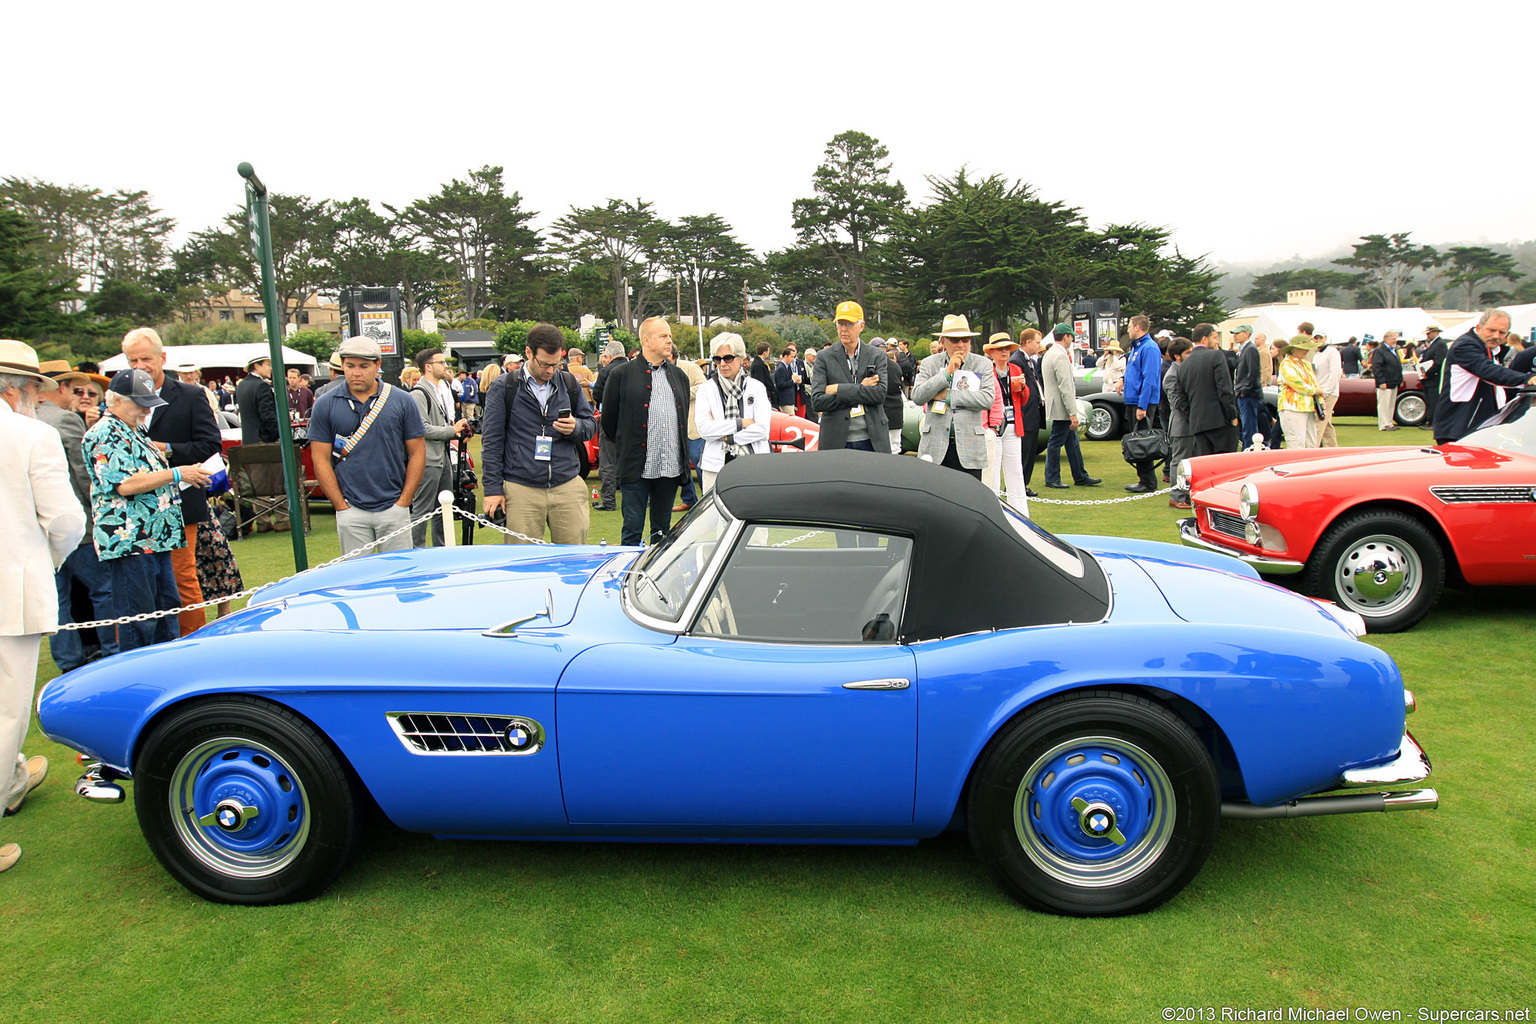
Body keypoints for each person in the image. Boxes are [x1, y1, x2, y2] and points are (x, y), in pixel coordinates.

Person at [0, 342, 87, 872]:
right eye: (36, 390)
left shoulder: (32, 430)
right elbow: (65, 522)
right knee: (6, 706)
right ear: (19, 390)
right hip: (11, 584)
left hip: (15, 580)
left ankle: (12, 779)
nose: (39, 399)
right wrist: (43, 561)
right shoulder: (32, 435)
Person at [83, 369, 212, 653]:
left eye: (148, 401)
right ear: (114, 400)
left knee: (166, 610)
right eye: (139, 402)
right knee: (139, 618)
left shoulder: (133, 428)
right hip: (131, 541)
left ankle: (163, 669)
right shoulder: (105, 433)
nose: (146, 408)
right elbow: (124, 484)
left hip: (155, 538)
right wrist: (176, 473)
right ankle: (134, 679)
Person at [122, 327, 223, 638]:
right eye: (133, 360)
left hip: (181, 503)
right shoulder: (121, 400)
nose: (140, 366)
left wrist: (168, 449)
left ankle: (194, 644)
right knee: (143, 583)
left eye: (145, 359)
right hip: (137, 507)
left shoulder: (191, 395)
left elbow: (210, 444)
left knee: (183, 579)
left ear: (162, 358)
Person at [308, 337, 426, 556]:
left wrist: (403, 501)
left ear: (377, 365)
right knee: (358, 582)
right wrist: (340, 506)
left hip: (394, 505)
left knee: (399, 578)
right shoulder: (325, 403)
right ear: (342, 366)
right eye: (350, 366)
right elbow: (320, 458)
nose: (356, 373)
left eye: (364, 366)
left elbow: (417, 452)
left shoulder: (402, 400)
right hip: (351, 507)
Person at [481, 324, 597, 544]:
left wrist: (576, 428)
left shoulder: (569, 383)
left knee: (573, 562)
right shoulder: (504, 387)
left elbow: (590, 425)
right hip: (521, 487)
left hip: (567, 484)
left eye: (556, 364)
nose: (550, 370)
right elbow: (492, 442)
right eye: (544, 364)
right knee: (523, 567)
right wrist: (493, 489)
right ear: (528, 353)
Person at [601, 317, 691, 546]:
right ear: (646, 340)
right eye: (663, 336)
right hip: (635, 468)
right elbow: (609, 424)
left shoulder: (679, 376)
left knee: (662, 532)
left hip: (670, 468)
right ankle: (626, 578)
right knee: (632, 530)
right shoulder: (621, 375)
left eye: (670, 336)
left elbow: (682, 418)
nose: (669, 340)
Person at [910, 314, 995, 479]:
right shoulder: (929, 363)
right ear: (943, 341)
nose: (961, 345)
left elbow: (987, 399)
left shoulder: (982, 364)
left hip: (969, 447)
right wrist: (947, 374)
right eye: (955, 340)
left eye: (965, 339)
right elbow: (918, 396)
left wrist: (948, 396)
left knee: (968, 501)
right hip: (935, 448)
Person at [1433, 309, 1536, 443]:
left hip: (1476, 426)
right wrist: (1527, 379)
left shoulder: (1488, 348)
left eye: (1502, 332)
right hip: (1460, 426)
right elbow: (1489, 371)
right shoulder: (1465, 345)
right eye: (1491, 330)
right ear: (1479, 327)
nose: (1496, 336)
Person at [408, 349, 470, 548]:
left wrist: (457, 432)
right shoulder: (419, 393)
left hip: (441, 458)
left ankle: (442, 550)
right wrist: (451, 430)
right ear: (428, 366)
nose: (445, 366)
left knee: (443, 508)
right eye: (441, 362)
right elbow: (422, 428)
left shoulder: (438, 390)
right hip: (427, 460)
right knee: (423, 509)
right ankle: (416, 552)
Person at [695, 334, 771, 493]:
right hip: (715, 466)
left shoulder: (756, 388)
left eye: (728, 358)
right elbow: (704, 430)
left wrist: (726, 436)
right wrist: (740, 423)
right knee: (715, 516)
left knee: (752, 514)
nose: (722, 364)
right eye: (717, 359)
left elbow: (763, 430)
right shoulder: (706, 389)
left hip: (753, 464)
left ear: (741, 358)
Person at [812, 301, 891, 453]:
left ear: (861, 326)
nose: (843, 329)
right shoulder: (824, 357)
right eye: (840, 324)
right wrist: (861, 389)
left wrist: (837, 389)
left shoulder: (877, 355)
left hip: (872, 440)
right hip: (836, 440)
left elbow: (879, 394)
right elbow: (818, 401)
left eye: (849, 324)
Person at [1039, 324, 1099, 489]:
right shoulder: (1060, 355)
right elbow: (1065, 386)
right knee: (1056, 442)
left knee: (1071, 442)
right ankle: (1052, 477)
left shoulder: (1050, 353)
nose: (1072, 339)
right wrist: (1073, 412)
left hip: (1056, 404)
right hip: (1061, 406)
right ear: (1065, 337)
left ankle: (1080, 475)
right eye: (1071, 336)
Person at [1180, 323, 1240, 457]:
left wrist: (1191, 418)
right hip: (1219, 420)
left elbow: (1182, 399)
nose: (1216, 341)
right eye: (1214, 337)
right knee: (1226, 464)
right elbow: (1225, 389)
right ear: (1204, 339)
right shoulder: (1216, 356)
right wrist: (1232, 415)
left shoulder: (1184, 365)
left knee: (1206, 464)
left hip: (1198, 422)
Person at [985, 332, 1030, 508]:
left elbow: (1024, 399)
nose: (1004, 352)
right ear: (992, 352)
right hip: (994, 426)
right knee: (993, 472)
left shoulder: (1016, 369)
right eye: (999, 349)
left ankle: (1020, 512)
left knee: (1015, 471)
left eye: (1006, 349)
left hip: (1013, 424)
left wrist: (1023, 387)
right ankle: (996, 510)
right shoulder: (987, 370)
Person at [1121, 314, 1164, 493]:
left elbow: (1150, 378)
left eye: (1130, 326)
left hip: (1141, 402)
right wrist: (1123, 379)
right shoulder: (1137, 347)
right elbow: (1136, 372)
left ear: (1137, 327)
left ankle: (1148, 482)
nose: (1128, 330)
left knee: (1143, 441)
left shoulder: (1150, 348)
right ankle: (1144, 478)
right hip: (1133, 400)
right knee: (1137, 440)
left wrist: (1142, 405)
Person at [589, 340, 628, 511]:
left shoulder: (606, 371)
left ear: (609, 356)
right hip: (633, 420)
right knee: (634, 459)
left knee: (608, 462)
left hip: (611, 419)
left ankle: (609, 501)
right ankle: (640, 499)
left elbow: (597, 394)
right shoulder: (637, 369)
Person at [1009, 329, 1046, 498]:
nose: (1039, 346)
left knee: (1030, 451)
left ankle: (1023, 484)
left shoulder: (1031, 361)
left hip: (1033, 411)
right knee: (1024, 451)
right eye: (1037, 342)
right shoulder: (1016, 361)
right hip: (1025, 413)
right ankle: (1019, 485)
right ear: (1027, 342)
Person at [672, 349, 707, 512]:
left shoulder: (690, 368)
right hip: (673, 427)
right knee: (680, 464)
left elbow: (703, 387)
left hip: (692, 426)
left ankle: (708, 500)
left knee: (699, 462)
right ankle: (689, 499)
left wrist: (682, 392)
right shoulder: (657, 371)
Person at [1163, 338, 1196, 508]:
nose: (1191, 356)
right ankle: (1176, 496)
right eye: (1187, 353)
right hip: (1181, 425)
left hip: (1190, 424)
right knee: (1179, 462)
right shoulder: (1172, 375)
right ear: (1177, 356)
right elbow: (1178, 403)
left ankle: (1186, 495)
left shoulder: (1184, 371)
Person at [1277, 336, 1322, 449]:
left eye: (1308, 348)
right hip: (1292, 407)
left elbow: (1314, 381)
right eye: (1303, 348)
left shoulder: (1306, 364)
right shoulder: (1286, 364)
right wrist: (1315, 391)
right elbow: (1297, 384)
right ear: (1293, 349)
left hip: (1309, 407)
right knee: (1296, 443)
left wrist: (1320, 401)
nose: (1306, 351)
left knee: (1311, 443)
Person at [236, 355, 279, 444]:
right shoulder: (261, 386)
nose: (270, 368)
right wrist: (278, 435)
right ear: (257, 366)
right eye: (267, 365)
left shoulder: (241, 385)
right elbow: (267, 415)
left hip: (248, 440)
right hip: (263, 441)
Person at [1311, 331, 1342, 446]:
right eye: (1316, 338)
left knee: (1319, 422)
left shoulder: (1332, 352)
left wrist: (1327, 392)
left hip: (1328, 393)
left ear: (1325, 338)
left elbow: (1335, 373)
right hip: (1319, 392)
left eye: (1320, 338)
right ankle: (1333, 450)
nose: (1318, 340)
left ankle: (1312, 451)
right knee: (1326, 424)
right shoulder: (1317, 354)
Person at [1370, 331, 1403, 431]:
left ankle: (1389, 423)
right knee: (1384, 404)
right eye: (1393, 339)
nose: (1395, 341)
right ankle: (1384, 425)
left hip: (1394, 381)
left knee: (1391, 404)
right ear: (1386, 339)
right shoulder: (1379, 351)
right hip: (1385, 382)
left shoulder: (1394, 350)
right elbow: (1377, 367)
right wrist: (1381, 381)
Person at [876, 339, 905, 454]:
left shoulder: (876, 367)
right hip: (896, 410)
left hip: (882, 411)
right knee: (894, 448)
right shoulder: (895, 366)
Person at [1417, 325, 1449, 429]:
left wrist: (1428, 373)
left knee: (1434, 401)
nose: (1427, 335)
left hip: (1434, 379)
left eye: (1429, 333)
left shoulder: (1440, 344)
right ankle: (1430, 421)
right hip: (1430, 379)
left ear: (1436, 332)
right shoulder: (1434, 344)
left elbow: (1438, 362)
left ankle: (1433, 423)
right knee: (1430, 401)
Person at [749, 341, 777, 408]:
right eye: (768, 352)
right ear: (764, 352)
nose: (768, 354)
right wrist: (768, 394)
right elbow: (760, 382)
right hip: (763, 396)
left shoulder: (758, 363)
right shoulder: (758, 365)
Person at [773, 346, 799, 414]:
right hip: (785, 401)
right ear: (786, 356)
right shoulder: (781, 368)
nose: (793, 359)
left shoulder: (788, 367)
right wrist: (793, 381)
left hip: (790, 400)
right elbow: (780, 384)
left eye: (794, 357)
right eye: (791, 357)